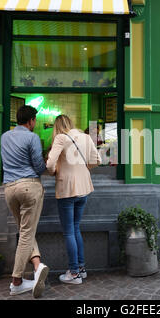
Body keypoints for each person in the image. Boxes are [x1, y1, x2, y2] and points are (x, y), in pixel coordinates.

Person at [1, 105, 49, 297]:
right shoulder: (32, 137)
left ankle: (37, 266)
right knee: (27, 234)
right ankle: (16, 280)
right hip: (29, 186)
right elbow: (38, 167)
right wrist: (48, 163)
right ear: (31, 121)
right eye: (34, 121)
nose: (34, 124)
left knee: (25, 231)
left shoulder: (4, 136)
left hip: (9, 188)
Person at [46, 115, 101, 285]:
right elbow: (97, 160)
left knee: (69, 231)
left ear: (57, 126)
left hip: (67, 189)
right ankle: (81, 268)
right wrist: (82, 169)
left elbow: (49, 164)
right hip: (84, 188)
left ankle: (74, 273)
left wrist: (55, 171)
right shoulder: (85, 137)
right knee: (76, 228)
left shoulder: (61, 138)